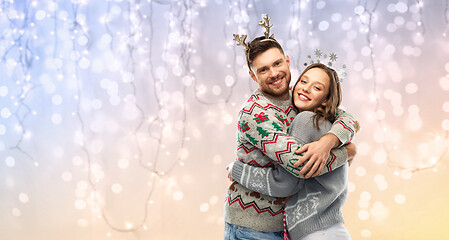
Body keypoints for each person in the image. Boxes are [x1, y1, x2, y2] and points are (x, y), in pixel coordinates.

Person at [224, 14, 359, 239]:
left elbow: (347, 118)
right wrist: (347, 151)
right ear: (252, 75)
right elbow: (298, 168)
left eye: (277, 63)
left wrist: (329, 141)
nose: (274, 73)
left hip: (288, 226)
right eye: (263, 69)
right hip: (252, 227)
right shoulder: (256, 114)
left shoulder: (298, 95)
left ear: (287, 60)